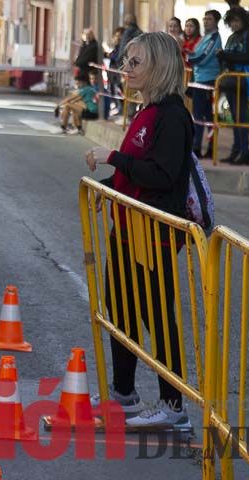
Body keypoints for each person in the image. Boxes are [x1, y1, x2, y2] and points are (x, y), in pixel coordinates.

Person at [84, 32, 193, 431]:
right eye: (126, 61)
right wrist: (110, 187)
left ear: (160, 67)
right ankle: (124, 394)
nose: (125, 69)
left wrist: (112, 158)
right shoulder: (147, 111)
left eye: (135, 62)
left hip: (154, 233)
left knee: (157, 317)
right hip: (129, 230)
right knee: (122, 311)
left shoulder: (172, 116)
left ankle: (174, 405)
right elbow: (136, 167)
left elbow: (161, 175)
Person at [216, 7, 249, 165]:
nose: (234, 24)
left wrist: (226, 55)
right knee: (235, 119)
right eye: (231, 21)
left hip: (242, 81)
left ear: (243, 20)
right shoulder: (233, 36)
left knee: (240, 118)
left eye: (236, 21)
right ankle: (236, 151)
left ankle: (244, 152)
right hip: (230, 81)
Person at [186, 10, 222, 157]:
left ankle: (197, 147)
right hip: (199, 79)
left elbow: (201, 57)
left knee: (201, 116)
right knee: (205, 115)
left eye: (209, 19)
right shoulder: (206, 37)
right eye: (205, 18)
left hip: (207, 80)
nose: (206, 21)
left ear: (216, 22)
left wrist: (188, 57)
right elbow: (195, 54)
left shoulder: (214, 38)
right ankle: (207, 147)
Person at [104, 27, 126, 120]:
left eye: (119, 36)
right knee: (114, 91)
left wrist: (111, 55)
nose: (116, 38)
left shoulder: (122, 46)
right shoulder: (116, 46)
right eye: (116, 36)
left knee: (121, 92)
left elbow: (118, 58)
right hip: (113, 74)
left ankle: (122, 111)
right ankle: (118, 108)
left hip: (118, 74)